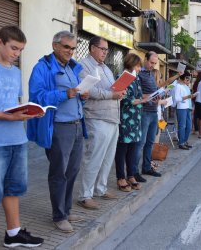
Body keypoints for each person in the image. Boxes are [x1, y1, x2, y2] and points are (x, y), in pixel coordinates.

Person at [0, 26, 44, 249]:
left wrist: (28, 112)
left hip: (17, 139)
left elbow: (13, 103)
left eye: (21, 50)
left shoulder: (14, 71)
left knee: (15, 188)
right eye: (14, 48)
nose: (17, 53)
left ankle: (13, 233)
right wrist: (7, 117)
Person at [27, 31, 89, 233]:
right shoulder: (42, 67)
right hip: (59, 127)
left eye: (73, 48)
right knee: (58, 173)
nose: (70, 51)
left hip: (77, 125)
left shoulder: (72, 68)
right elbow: (37, 96)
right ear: (55, 46)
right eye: (66, 47)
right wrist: (65, 94)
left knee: (72, 171)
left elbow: (74, 95)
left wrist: (82, 95)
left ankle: (67, 209)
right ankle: (59, 216)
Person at [77, 36, 125, 210]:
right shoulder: (83, 65)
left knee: (107, 158)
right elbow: (87, 90)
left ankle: (100, 188)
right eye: (102, 49)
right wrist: (112, 94)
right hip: (96, 117)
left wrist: (120, 91)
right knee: (94, 158)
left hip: (113, 117)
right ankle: (85, 195)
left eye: (107, 50)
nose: (105, 52)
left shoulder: (106, 68)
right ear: (92, 48)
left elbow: (111, 89)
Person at [134, 51, 182, 183]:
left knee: (150, 142)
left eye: (155, 63)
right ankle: (134, 172)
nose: (153, 65)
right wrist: (150, 96)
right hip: (143, 111)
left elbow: (160, 85)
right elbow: (138, 93)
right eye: (151, 62)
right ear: (145, 59)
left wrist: (158, 95)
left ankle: (146, 167)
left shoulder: (151, 74)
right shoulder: (139, 74)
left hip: (153, 111)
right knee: (141, 143)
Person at [115, 53, 144, 191]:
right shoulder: (122, 78)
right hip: (125, 119)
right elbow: (124, 99)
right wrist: (141, 100)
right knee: (122, 150)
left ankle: (131, 175)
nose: (139, 69)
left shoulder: (136, 79)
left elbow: (138, 95)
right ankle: (120, 177)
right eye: (138, 66)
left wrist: (150, 97)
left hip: (136, 119)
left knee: (133, 148)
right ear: (131, 64)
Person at [173, 71, 196, 149]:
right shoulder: (178, 86)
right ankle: (181, 143)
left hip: (188, 108)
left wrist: (191, 97)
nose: (189, 80)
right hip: (181, 108)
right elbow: (176, 98)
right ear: (184, 78)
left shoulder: (186, 86)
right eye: (188, 78)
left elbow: (188, 98)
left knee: (189, 126)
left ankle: (184, 141)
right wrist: (188, 97)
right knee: (182, 126)